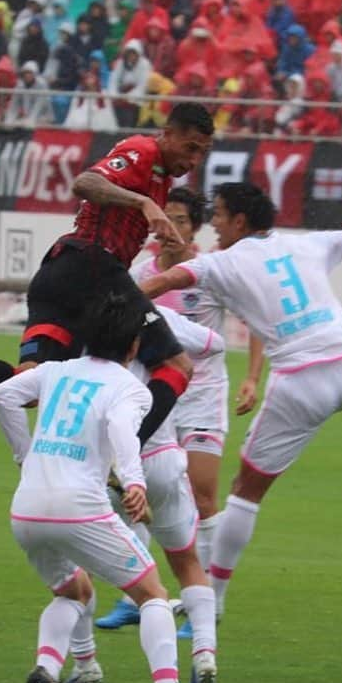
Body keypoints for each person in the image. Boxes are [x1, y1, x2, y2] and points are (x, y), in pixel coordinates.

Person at [140, 182, 342, 618]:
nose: (217, 224)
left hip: (303, 384)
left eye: (221, 215)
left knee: (245, 492)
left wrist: (118, 298)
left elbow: (168, 279)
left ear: (239, 221)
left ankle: (214, 600)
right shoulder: (310, 244)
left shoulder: (222, 263)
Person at [0, 103, 215, 448]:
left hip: (59, 275)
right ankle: (123, 457)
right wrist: (144, 204)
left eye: (202, 153)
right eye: (190, 147)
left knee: (31, 387)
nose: (194, 160)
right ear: (167, 133)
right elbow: (85, 182)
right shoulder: (143, 151)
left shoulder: (162, 176)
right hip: (94, 268)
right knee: (177, 366)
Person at [0, 293, 210, 683]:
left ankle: (46, 672)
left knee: (74, 591)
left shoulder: (55, 371)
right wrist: (134, 480)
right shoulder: (131, 388)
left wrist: (25, 455)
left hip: (27, 510)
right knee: (153, 594)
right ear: (134, 347)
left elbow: (2, 395)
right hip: (79, 507)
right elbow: (122, 426)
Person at [101, 189, 260, 644]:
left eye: (179, 220)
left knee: (203, 496)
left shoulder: (211, 271)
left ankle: (205, 600)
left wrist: (251, 378)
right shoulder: (141, 272)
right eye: (163, 218)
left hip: (203, 394)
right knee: (138, 488)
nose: (168, 227)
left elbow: (252, 324)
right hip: (155, 394)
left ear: (194, 228)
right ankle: (136, 598)